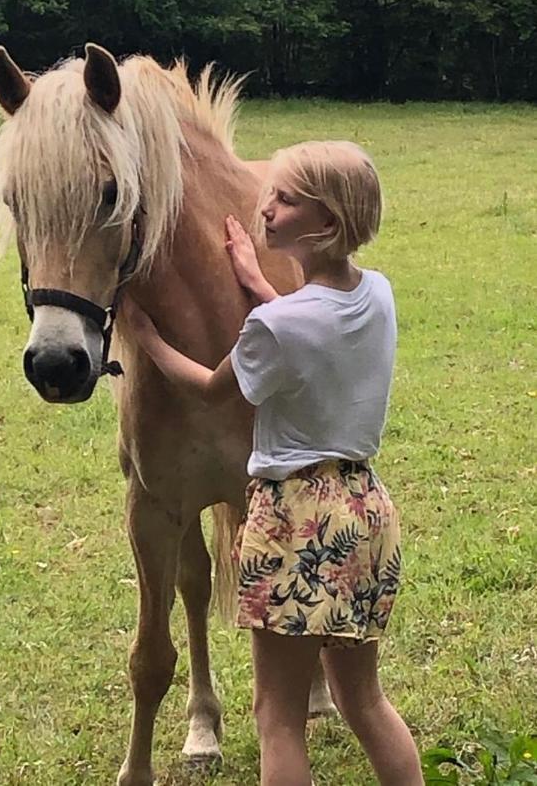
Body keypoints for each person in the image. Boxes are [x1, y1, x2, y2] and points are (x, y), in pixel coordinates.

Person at [122, 140, 424, 786]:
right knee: (363, 702)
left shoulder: (272, 329)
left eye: (284, 199)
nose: (263, 205)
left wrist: (146, 338)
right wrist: (259, 284)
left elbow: (209, 386)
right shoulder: (377, 293)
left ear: (325, 225)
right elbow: (308, 325)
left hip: (293, 519)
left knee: (276, 716)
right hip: (363, 510)